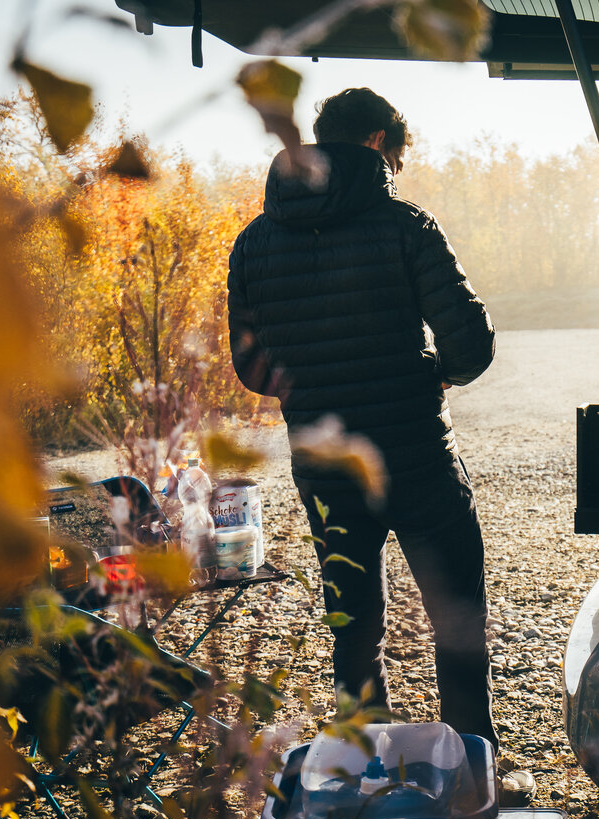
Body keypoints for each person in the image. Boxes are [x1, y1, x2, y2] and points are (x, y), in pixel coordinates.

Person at [226, 88, 499, 751]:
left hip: (324, 464)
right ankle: (472, 763)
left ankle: (370, 777)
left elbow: (252, 370)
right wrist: (435, 372)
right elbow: (471, 343)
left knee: (355, 626)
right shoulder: (408, 227)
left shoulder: (255, 242)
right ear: (378, 142)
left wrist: (310, 386)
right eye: (397, 154)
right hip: (417, 458)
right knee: (455, 614)